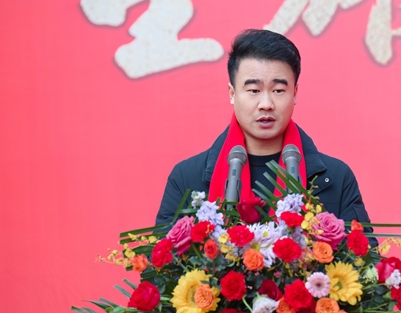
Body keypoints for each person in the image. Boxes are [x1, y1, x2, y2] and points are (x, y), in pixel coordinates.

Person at [156, 29, 372, 228]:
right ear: (232, 94)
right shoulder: (186, 178)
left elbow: (363, 254)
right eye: (253, 90)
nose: (266, 104)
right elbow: (163, 255)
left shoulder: (335, 178)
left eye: (278, 90)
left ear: (295, 93)